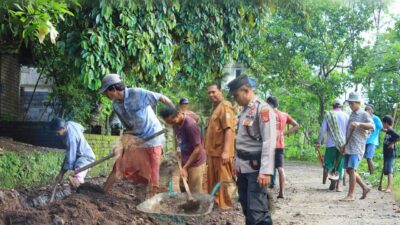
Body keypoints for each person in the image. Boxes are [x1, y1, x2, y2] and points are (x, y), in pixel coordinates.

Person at [98, 73, 174, 195]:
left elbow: (162, 98)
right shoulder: (116, 105)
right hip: (137, 137)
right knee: (119, 164)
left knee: (153, 170)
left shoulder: (137, 93)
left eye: (106, 91)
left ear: (113, 89)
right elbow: (128, 126)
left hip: (153, 135)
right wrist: (125, 140)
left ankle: (152, 204)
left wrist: (174, 115)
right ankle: (102, 193)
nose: (105, 95)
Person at [227, 75, 276, 225]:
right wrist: (236, 164)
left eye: (236, 95)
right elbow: (242, 141)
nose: (235, 99)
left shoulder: (263, 109)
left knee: (258, 211)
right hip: (244, 167)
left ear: (246, 90)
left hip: (256, 168)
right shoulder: (245, 111)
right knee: (247, 207)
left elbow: (269, 141)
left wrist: (266, 171)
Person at [160, 106, 207, 193]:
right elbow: (176, 136)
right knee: (183, 186)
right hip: (185, 158)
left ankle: (197, 205)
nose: (171, 124)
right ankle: (186, 203)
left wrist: (185, 167)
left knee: (194, 190)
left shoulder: (190, 125)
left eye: (172, 121)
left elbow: (198, 148)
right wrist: (177, 149)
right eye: (169, 123)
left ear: (178, 114)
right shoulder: (175, 124)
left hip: (195, 161)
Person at [205, 83, 236, 209]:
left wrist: (226, 151)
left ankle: (226, 206)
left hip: (222, 152)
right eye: (209, 93)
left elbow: (228, 129)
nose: (211, 95)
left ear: (220, 91)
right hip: (213, 152)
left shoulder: (225, 106)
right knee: (213, 180)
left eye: (214, 92)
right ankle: (216, 202)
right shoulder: (215, 108)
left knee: (224, 180)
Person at [340, 92, 374, 201]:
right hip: (349, 145)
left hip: (357, 146)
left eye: (352, 103)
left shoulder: (364, 114)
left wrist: (359, 124)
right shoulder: (352, 114)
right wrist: (344, 144)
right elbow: (349, 131)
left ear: (358, 103)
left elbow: (372, 126)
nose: (350, 105)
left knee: (352, 169)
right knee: (350, 170)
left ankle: (351, 195)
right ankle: (364, 188)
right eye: (349, 103)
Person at [267, 96, 299, 198]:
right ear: (277, 104)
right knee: (280, 168)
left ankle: (264, 191)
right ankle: (281, 193)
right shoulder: (284, 115)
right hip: (280, 144)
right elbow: (296, 125)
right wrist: (283, 133)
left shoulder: (266, 114)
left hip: (268, 144)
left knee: (265, 166)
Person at [50, 118, 95, 189]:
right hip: (81, 156)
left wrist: (61, 174)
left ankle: (78, 196)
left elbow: (70, 159)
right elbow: (81, 128)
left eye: (57, 132)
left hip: (86, 158)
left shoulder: (71, 139)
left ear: (63, 128)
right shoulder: (69, 123)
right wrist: (60, 174)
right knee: (74, 177)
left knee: (77, 178)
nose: (56, 134)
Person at [316, 99, 349, 191]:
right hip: (342, 144)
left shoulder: (328, 115)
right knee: (340, 164)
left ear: (333, 105)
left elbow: (323, 130)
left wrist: (319, 142)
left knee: (328, 162)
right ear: (341, 106)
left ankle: (332, 175)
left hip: (331, 143)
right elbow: (349, 131)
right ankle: (338, 187)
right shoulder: (346, 116)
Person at [381, 115, 399, 193]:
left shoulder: (391, 131)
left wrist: (392, 143)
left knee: (389, 170)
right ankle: (388, 186)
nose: (382, 125)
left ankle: (389, 187)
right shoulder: (388, 130)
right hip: (386, 152)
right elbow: (385, 130)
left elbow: (399, 137)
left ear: (386, 123)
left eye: (383, 123)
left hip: (390, 153)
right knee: (387, 169)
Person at [364, 104, 383, 174]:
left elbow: (381, 127)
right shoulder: (364, 117)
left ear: (372, 111)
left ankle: (372, 173)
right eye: (366, 110)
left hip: (372, 140)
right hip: (365, 140)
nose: (367, 111)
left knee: (369, 157)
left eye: (368, 109)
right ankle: (370, 172)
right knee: (364, 157)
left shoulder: (376, 118)